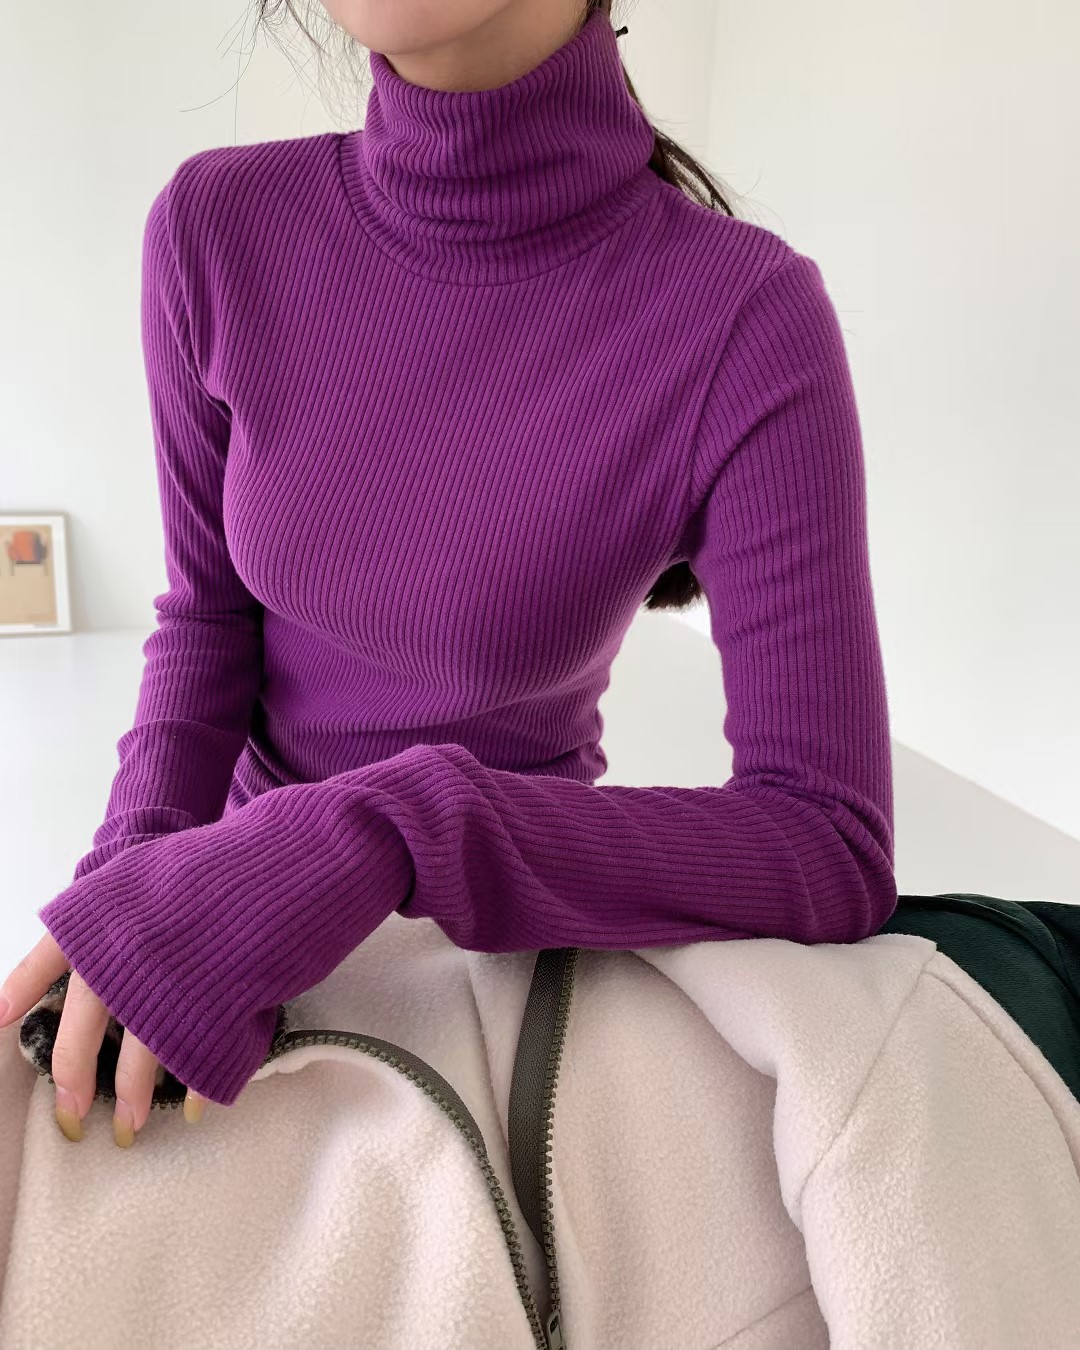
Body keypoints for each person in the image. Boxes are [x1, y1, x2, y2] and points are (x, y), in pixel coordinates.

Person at [0, 0, 896, 1149]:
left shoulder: (746, 317)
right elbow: (208, 619)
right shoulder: (215, 226)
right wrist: (138, 888)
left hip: (515, 969)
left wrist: (398, 827)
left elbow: (828, 841)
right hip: (221, 920)